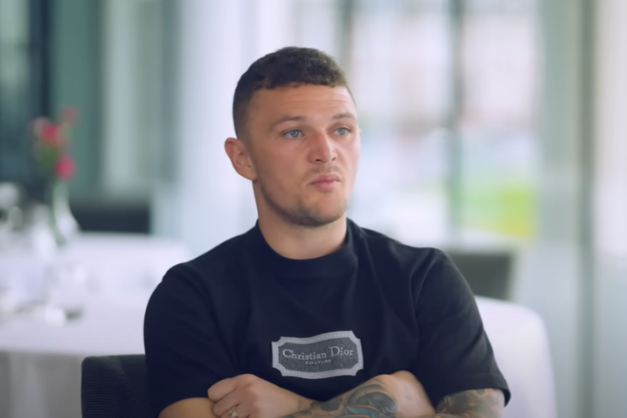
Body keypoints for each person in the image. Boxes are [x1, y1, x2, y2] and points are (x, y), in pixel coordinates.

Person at [144, 46, 510, 418]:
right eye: (294, 132)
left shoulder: (424, 278)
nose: (326, 151)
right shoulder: (192, 297)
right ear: (243, 158)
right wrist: (394, 400)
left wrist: (297, 408)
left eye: (341, 130)